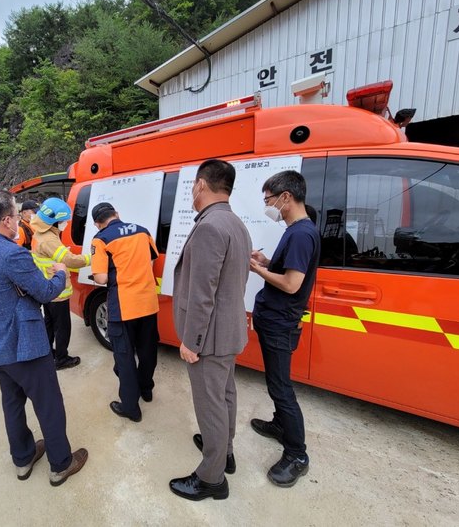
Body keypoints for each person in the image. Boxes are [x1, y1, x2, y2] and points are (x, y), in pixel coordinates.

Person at [0, 189, 88, 486]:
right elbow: (46, 292)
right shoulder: (12, 253)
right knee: (48, 404)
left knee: (12, 403)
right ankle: (61, 463)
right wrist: (60, 272)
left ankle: (22, 459)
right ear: (8, 220)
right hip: (26, 346)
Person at [168, 159, 252, 501]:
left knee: (210, 405)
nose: (192, 191)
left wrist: (192, 341)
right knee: (225, 395)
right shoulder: (233, 222)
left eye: (192, 185)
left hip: (210, 337)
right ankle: (225, 450)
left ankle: (212, 478)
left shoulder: (208, 227)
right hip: (229, 331)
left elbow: (203, 293)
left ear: (202, 184)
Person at [249, 170, 321, 488]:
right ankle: (280, 424)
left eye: (269, 200)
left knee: (281, 388)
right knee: (276, 384)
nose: (268, 206)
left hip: (280, 322)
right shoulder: (296, 231)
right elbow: (287, 269)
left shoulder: (302, 233)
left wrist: (256, 270)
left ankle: (297, 454)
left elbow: (292, 284)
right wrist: (266, 262)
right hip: (274, 319)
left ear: (286, 197)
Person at [90, 202, 159, 423]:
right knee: (148, 350)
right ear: (117, 214)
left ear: (97, 223)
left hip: (123, 306)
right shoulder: (142, 230)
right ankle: (146, 390)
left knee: (125, 357)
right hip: (148, 302)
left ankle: (131, 407)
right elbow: (151, 260)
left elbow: (100, 278)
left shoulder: (100, 239)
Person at [30, 197, 90, 370]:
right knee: (63, 327)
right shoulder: (49, 238)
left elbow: (51, 256)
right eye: (63, 221)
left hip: (45, 288)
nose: (65, 224)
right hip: (57, 292)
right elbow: (69, 260)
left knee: (49, 322)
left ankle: (48, 352)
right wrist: (91, 258)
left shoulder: (39, 233)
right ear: (53, 221)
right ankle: (62, 359)